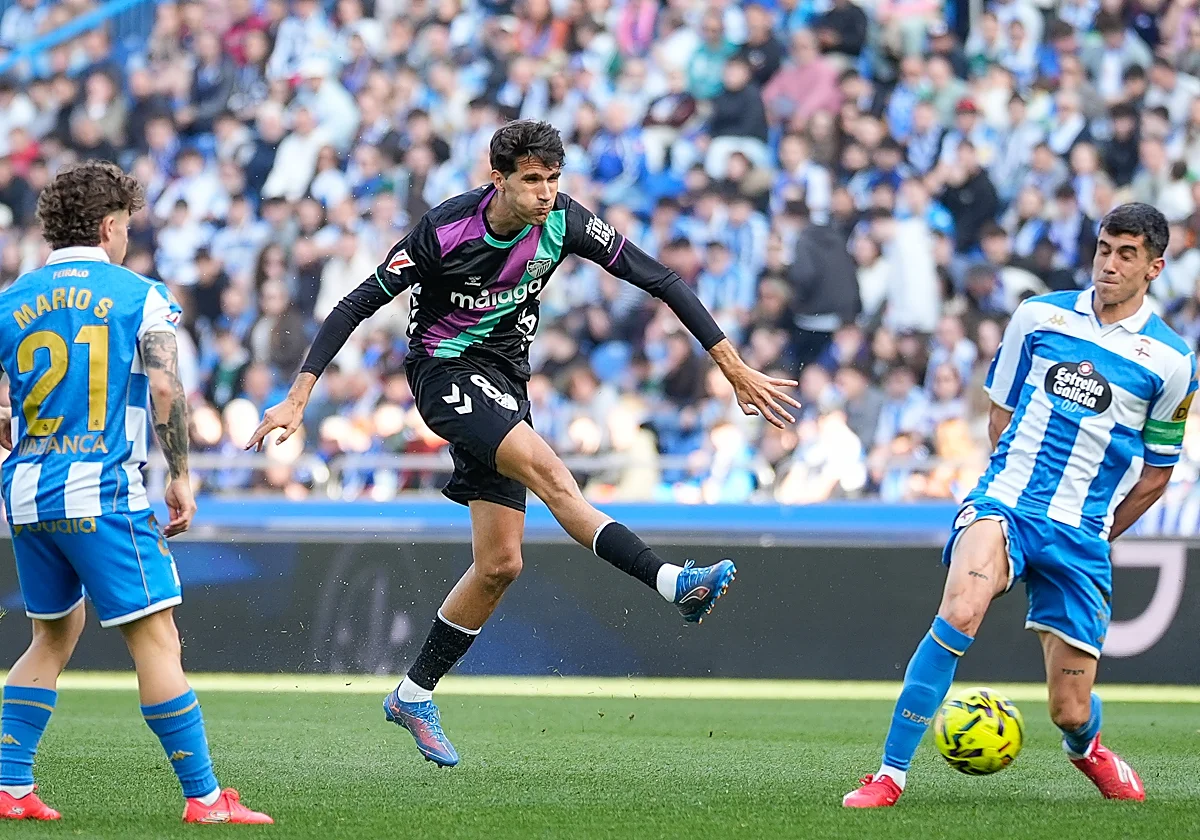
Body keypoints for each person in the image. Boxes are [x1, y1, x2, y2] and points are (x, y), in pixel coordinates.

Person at [246, 120, 799, 767]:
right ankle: (673, 581)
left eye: (552, 180)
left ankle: (412, 694)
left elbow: (662, 280)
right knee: (553, 473)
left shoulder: (564, 222)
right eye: (532, 180)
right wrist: (299, 394)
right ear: (498, 179)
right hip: (444, 373)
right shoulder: (446, 230)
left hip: (506, 383)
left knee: (501, 564)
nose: (544, 193)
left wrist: (729, 363)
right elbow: (355, 303)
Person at [844, 203, 1196, 807]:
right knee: (961, 609)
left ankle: (1087, 747)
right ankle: (889, 775)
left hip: (1081, 533)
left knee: (1068, 708)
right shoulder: (1037, 316)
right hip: (1005, 504)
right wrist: (1012, 485)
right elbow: (1001, 412)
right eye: (1105, 248)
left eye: (1127, 254)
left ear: (1155, 267)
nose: (1109, 264)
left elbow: (1158, 474)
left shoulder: (1172, 362)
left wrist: (1098, 533)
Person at [0, 162, 271, 825]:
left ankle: (9, 784)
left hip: (30, 496)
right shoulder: (139, 295)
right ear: (110, 226)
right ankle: (206, 799)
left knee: (54, 634)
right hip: (104, 493)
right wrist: (180, 472)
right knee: (157, 641)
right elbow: (165, 388)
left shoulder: (11, 300)